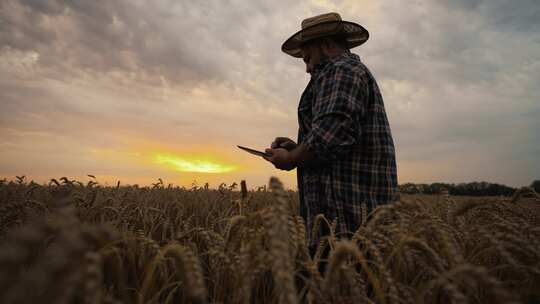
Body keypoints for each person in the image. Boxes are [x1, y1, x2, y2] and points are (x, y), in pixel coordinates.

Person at [264, 12, 399, 255]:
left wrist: (290, 159)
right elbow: (336, 139)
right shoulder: (347, 71)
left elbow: (328, 139)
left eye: (307, 58)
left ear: (326, 45)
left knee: (345, 288)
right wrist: (298, 146)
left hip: (348, 220)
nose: (306, 68)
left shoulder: (341, 71)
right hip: (349, 218)